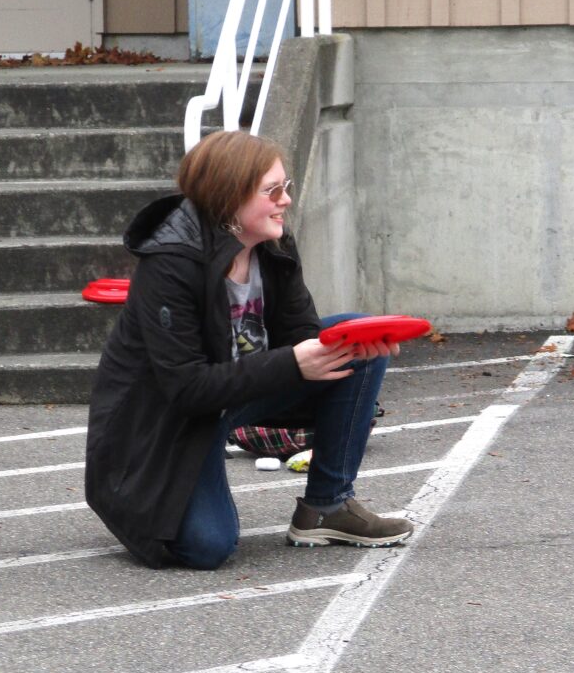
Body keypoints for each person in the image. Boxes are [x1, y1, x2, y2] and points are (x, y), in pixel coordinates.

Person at [85, 130, 413, 569]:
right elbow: (185, 388)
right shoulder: (171, 263)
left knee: (349, 338)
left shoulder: (272, 241)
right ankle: (130, 500)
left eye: (286, 187)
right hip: (167, 424)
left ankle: (327, 507)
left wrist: (344, 350)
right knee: (206, 548)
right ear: (229, 197)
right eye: (272, 191)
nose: (286, 201)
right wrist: (295, 362)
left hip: (233, 395)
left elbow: (302, 332)